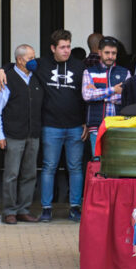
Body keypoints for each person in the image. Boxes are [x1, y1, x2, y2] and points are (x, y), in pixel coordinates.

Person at [0, 44, 43, 225]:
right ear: (19, 60)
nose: (33, 61)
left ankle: (24, 210)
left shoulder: (36, 78)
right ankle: (9, 211)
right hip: (13, 135)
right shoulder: (7, 79)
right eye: (30, 58)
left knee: (30, 174)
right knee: (11, 174)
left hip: (33, 133)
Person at [36, 30, 86, 222]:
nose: (66, 51)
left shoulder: (79, 66)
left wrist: (85, 122)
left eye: (68, 46)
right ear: (53, 48)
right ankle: (46, 208)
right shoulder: (40, 64)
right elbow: (19, 63)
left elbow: (86, 96)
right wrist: (2, 70)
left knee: (75, 168)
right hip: (51, 126)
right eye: (62, 47)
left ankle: (75, 207)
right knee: (49, 167)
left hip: (75, 126)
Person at [81, 36, 130, 154]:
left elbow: (127, 98)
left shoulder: (125, 72)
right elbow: (87, 95)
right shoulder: (89, 72)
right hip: (96, 127)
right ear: (99, 52)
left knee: (118, 163)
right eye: (107, 52)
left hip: (119, 126)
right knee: (98, 162)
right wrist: (113, 89)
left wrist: (98, 94)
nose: (110, 56)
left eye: (114, 53)